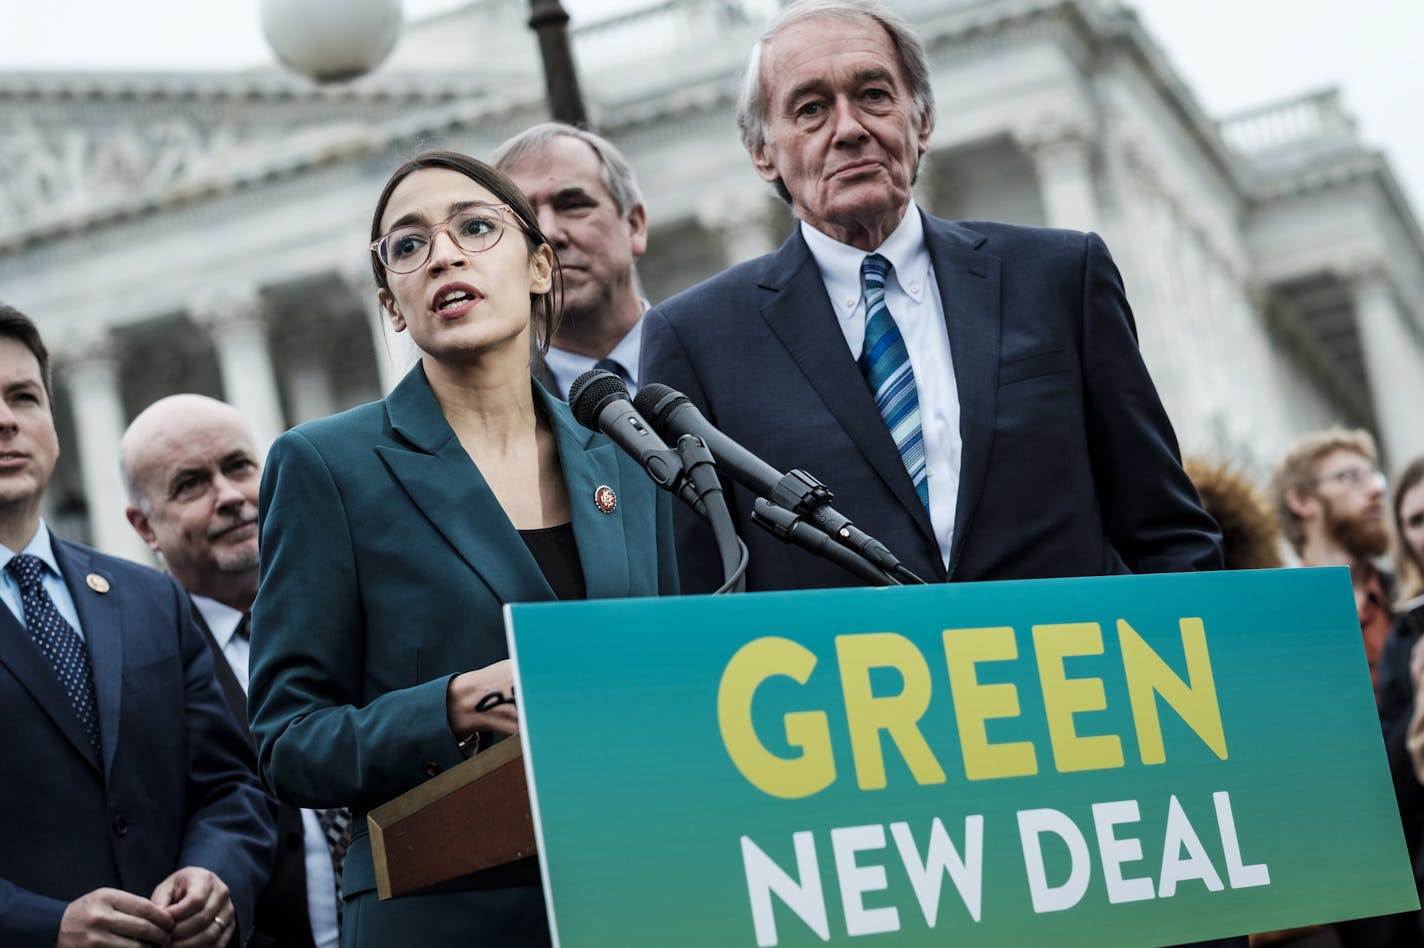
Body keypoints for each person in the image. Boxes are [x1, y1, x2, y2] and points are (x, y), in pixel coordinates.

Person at [640, 0, 1221, 595]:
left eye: (873, 94)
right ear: (763, 154)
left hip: (1073, 676)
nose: (849, 129)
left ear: (921, 122)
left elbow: (1168, 532)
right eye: (811, 109)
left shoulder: (1060, 276)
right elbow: (699, 590)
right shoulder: (696, 340)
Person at [245, 150, 678, 947]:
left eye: (476, 228)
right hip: (444, 913)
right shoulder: (327, 466)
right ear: (392, 304)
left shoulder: (626, 456)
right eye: (407, 247)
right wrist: (450, 705)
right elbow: (287, 741)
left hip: (636, 893)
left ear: (540, 266)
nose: (442, 254)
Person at [0, 305, 273, 947]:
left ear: (51, 424)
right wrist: (47, 929)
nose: (6, 420)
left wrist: (215, 874)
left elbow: (229, 787)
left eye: (23, 397)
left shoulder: (150, 599)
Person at [120, 394, 346, 948]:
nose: (230, 497)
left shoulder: (348, 606)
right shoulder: (131, 669)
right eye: (190, 484)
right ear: (145, 527)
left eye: (240, 466)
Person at [493, 122, 651, 397]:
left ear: (634, 226)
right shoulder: (494, 416)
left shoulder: (720, 352)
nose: (548, 235)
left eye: (573, 205)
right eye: (522, 219)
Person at [1270, 429, 1394, 693]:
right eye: (1350, 477)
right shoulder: (1274, 620)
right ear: (1302, 500)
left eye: (1373, 476)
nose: (1374, 490)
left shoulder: (1406, 601)